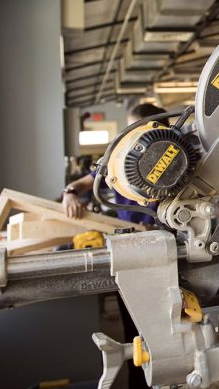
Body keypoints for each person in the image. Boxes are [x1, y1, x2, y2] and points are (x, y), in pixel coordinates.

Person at [62, 102, 167, 389]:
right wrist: (70, 192)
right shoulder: (118, 155)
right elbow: (84, 183)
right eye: (128, 129)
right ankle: (140, 382)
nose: (128, 135)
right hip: (131, 250)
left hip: (167, 249)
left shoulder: (169, 153)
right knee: (133, 328)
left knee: (166, 326)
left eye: (136, 129)